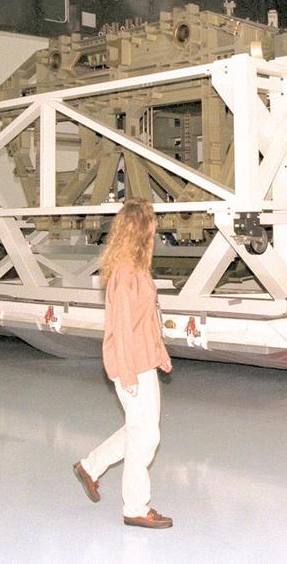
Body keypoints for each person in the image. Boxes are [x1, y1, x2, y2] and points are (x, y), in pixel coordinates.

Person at [72, 197, 174, 529]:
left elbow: (146, 322)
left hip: (144, 362)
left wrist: (160, 354)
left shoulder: (137, 266)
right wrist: (129, 373)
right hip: (131, 366)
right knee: (146, 438)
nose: (155, 227)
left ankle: (90, 466)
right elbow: (121, 329)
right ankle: (135, 507)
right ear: (141, 229)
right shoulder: (125, 273)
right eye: (151, 222)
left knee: (140, 430)